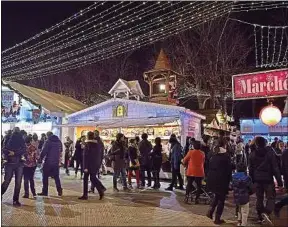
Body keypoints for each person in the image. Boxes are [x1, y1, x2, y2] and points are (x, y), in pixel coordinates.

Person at [249, 136, 283, 225]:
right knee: (271, 198)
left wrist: (252, 180)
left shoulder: (252, 154)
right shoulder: (270, 153)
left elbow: (250, 169)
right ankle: (266, 212)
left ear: (256, 144)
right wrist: (279, 182)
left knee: (259, 198)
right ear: (265, 143)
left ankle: (260, 216)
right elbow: (275, 168)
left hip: (257, 180)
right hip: (268, 179)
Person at [206, 138, 232, 225]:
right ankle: (217, 218)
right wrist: (229, 182)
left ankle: (210, 212)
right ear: (225, 145)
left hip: (212, 178)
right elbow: (229, 170)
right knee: (221, 199)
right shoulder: (226, 156)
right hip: (222, 180)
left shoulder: (212, 153)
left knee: (217, 196)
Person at [1, 127, 26, 206]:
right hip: (12, 163)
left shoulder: (20, 139)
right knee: (8, 181)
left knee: (16, 182)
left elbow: (24, 149)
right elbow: (3, 149)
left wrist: (14, 153)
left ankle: (15, 200)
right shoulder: (8, 138)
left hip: (16, 163)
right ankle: (4, 195)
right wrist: (11, 152)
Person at [78, 131, 106, 200]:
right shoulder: (98, 144)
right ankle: (101, 190)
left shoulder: (88, 144)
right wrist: (99, 163)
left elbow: (85, 156)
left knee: (86, 179)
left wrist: (85, 167)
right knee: (93, 178)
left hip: (88, 165)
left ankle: (85, 195)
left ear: (88, 136)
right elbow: (101, 154)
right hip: (95, 164)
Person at [37, 132, 63, 197]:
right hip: (56, 162)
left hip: (48, 162)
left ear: (47, 135)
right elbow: (61, 150)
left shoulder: (48, 141)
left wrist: (40, 159)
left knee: (45, 177)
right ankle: (59, 190)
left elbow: (44, 151)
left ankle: (45, 191)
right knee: (56, 177)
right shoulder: (59, 142)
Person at [232, 162, 253, 227]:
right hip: (245, 197)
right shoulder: (247, 178)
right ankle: (243, 224)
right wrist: (249, 193)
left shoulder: (233, 177)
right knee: (245, 212)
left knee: (239, 210)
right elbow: (250, 187)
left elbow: (231, 186)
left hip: (236, 196)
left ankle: (239, 222)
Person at [274, 141, 288, 217]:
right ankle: (279, 205)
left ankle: (279, 205)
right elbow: (285, 167)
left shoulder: (284, 152)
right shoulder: (285, 153)